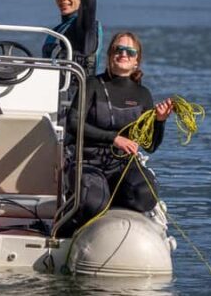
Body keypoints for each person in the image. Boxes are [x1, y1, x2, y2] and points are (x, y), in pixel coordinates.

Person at [65, 31, 174, 230]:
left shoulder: (143, 94)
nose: (123, 54)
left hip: (123, 166)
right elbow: (73, 122)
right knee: (94, 202)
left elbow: (150, 146)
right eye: (118, 49)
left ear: (136, 62)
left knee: (145, 195)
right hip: (88, 163)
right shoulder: (92, 85)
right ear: (109, 56)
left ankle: (116, 212)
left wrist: (160, 121)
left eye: (130, 52)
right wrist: (114, 138)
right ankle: (82, 212)